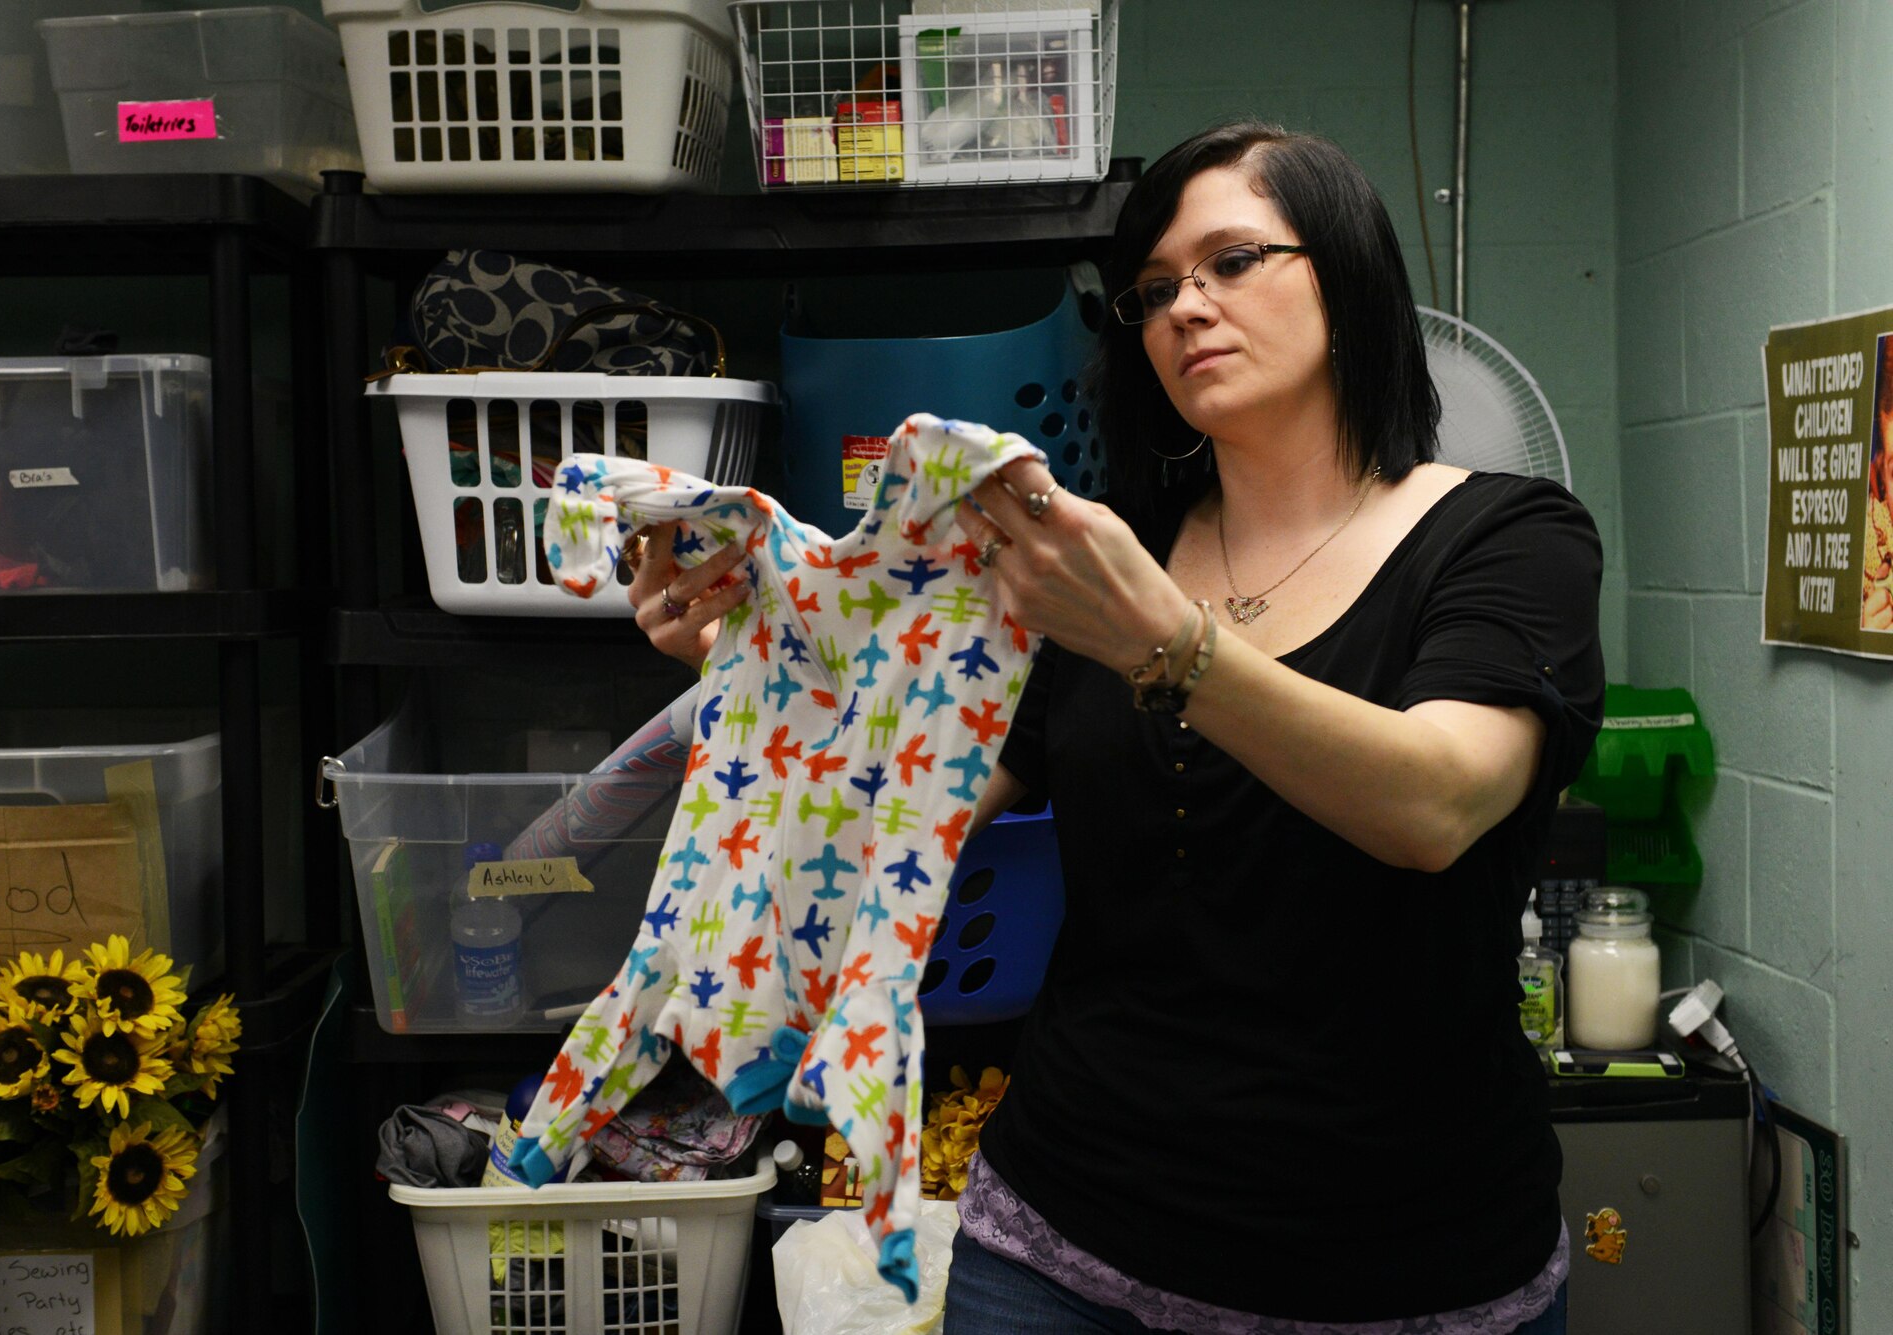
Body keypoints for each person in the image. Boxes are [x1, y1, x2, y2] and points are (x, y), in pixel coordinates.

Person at [628, 121, 1602, 1334]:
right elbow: (897, 798)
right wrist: (751, 666)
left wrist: (1169, 648)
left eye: (1233, 260)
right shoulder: (1100, 559)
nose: (1184, 307)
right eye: (1152, 290)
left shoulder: (1505, 539)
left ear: (1346, 274)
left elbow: (1435, 804)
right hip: (1059, 1248)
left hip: (1406, 1270)